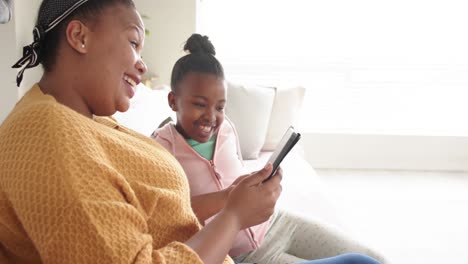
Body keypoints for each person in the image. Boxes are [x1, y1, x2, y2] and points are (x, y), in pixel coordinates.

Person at [0, 0, 378, 263]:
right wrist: (232, 217)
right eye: (133, 42)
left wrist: (233, 197)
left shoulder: (82, 120)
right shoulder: (49, 138)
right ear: (79, 37)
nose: (142, 65)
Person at [151, 34, 382, 264]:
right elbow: (170, 214)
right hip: (238, 254)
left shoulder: (227, 129)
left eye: (220, 107)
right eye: (200, 104)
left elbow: (235, 173)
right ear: (173, 101)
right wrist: (229, 197)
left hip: (275, 223)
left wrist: (260, 180)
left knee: (373, 258)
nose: (211, 117)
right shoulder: (161, 148)